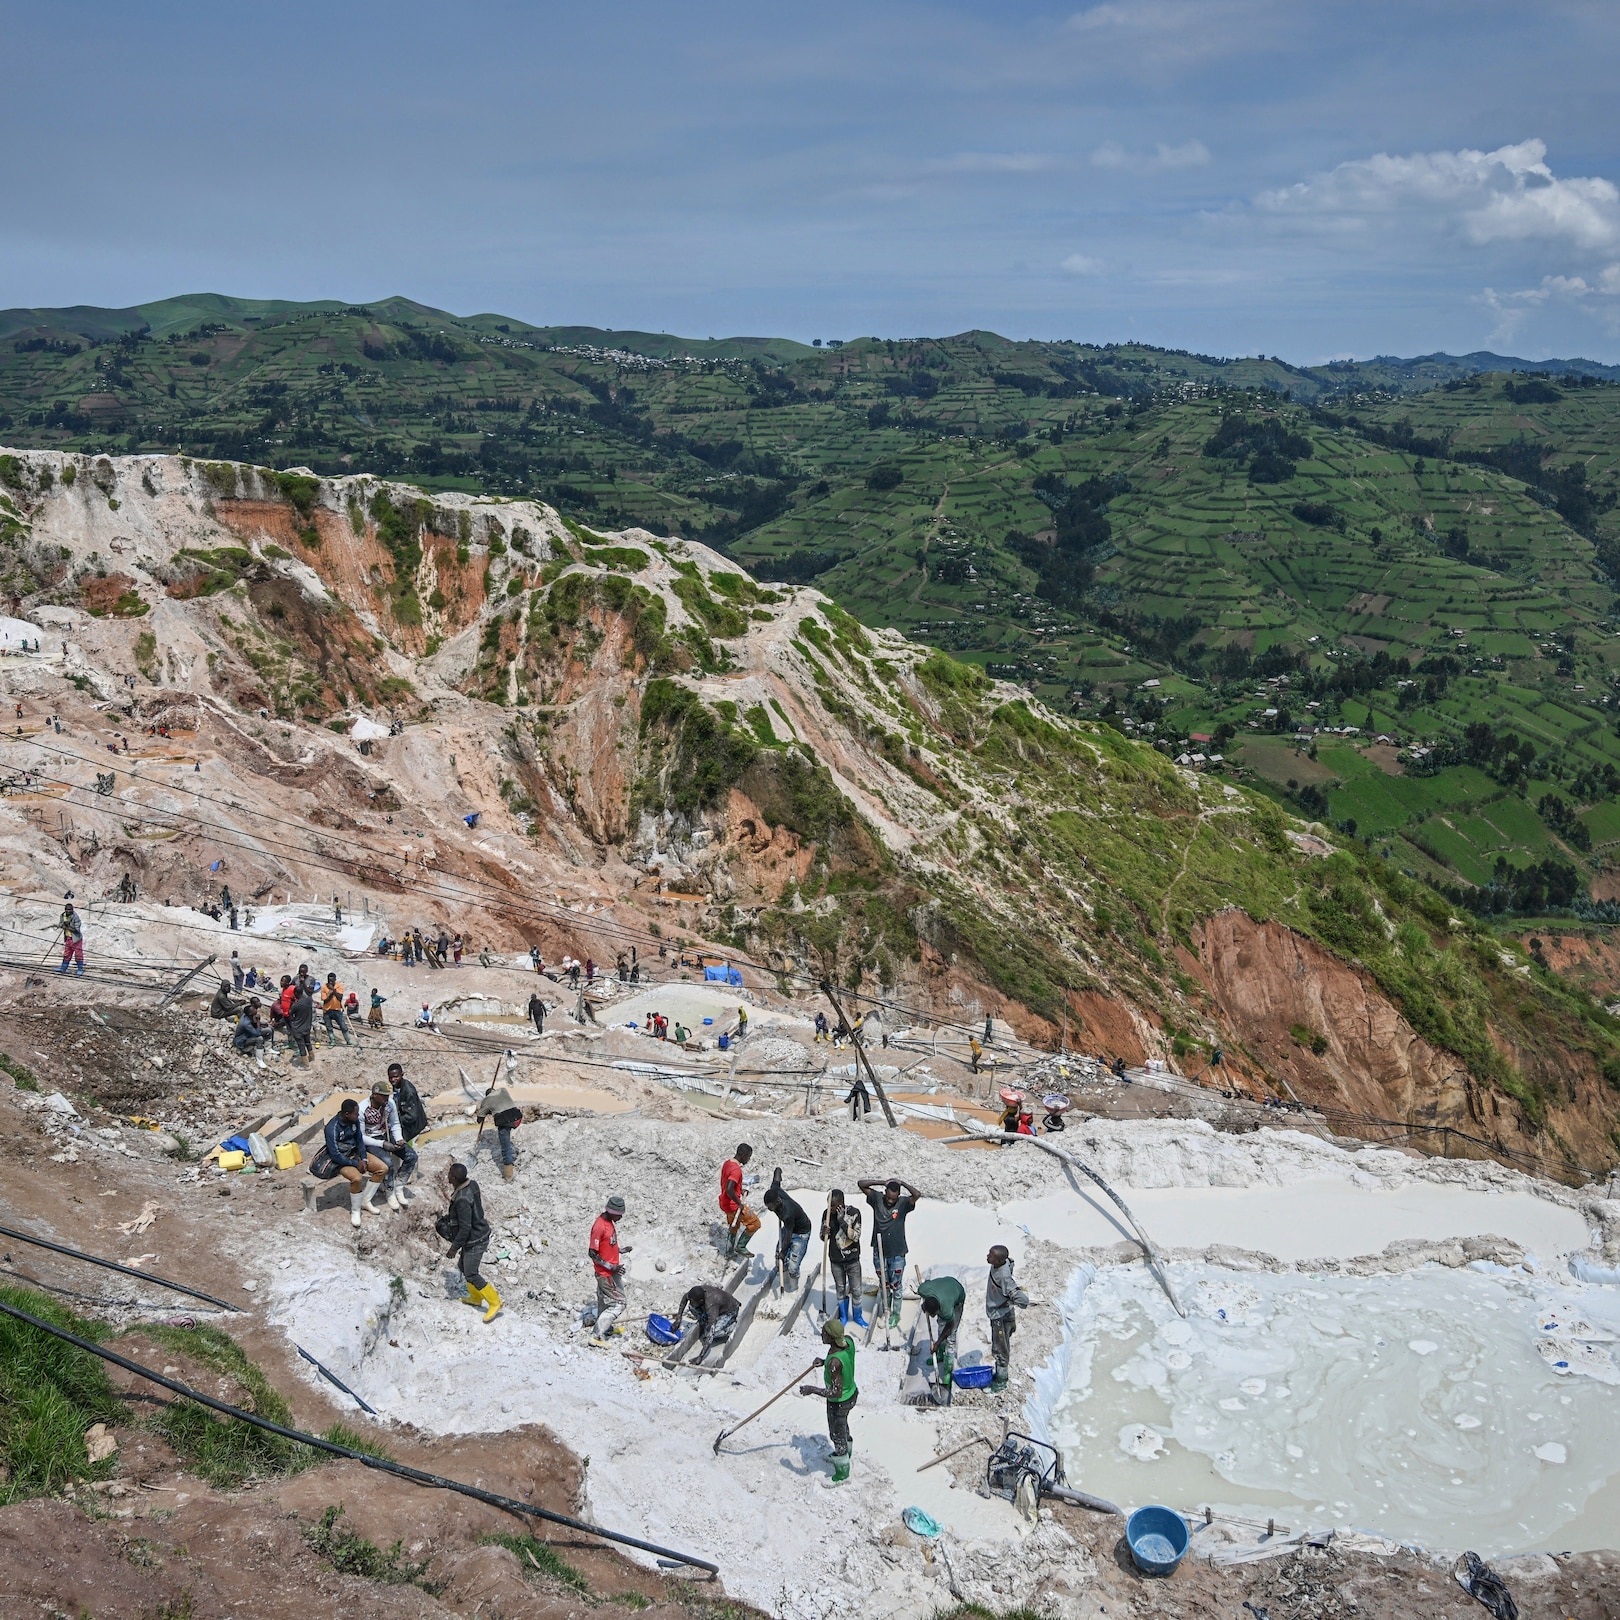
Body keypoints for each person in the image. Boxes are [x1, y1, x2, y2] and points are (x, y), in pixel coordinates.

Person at [857, 1175, 922, 1328]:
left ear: (898, 1196)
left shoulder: (904, 1203)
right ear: (885, 1192)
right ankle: (885, 1309)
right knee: (883, 1283)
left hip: (897, 1252)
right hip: (879, 1250)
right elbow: (861, 1184)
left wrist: (903, 1182)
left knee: (896, 1285)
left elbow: (917, 1194)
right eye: (888, 1198)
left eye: (893, 1199)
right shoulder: (877, 1198)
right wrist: (882, 1182)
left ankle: (896, 1314)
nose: (890, 1201)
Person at [799, 1316, 857, 1483]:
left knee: (836, 1434)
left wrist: (812, 1389)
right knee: (843, 1426)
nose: (821, 1335)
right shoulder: (848, 1341)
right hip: (852, 1393)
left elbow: (835, 1392)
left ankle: (842, 1473)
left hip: (840, 1402)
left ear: (831, 1337)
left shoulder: (835, 1363)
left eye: (824, 1333)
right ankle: (847, 1452)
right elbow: (841, 1363)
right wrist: (824, 1362)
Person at [444, 1163, 500, 1322]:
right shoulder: (472, 1184)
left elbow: (465, 1228)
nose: (447, 1175)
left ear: (453, 1178)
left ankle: (495, 1302)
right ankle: (475, 1298)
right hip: (479, 1232)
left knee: (471, 1273)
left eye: (449, 1173)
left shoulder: (461, 1200)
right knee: (463, 1267)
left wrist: (454, 1248)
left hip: (475, 1239)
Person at [322, 1098, 388, 1228]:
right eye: (356, 1114)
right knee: (356, 1178)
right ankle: (356, 1210)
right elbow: (335, 1154)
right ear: (347, 1114)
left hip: (355, 1154)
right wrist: (355, 1164)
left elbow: (359, 1140)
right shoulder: (332, 1128)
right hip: (341, 1159)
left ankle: (366, 1200)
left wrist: (363, 1158)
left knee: (382, 1168)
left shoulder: (354, 1121)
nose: (358, 1116)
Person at [363, 1081, 415, 1209]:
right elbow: (361, 1137)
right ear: (375, 1095)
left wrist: (398, 1139)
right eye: (384, 1096)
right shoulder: (362, 1109)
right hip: (370, 1139)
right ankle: (390, 1192)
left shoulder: (389, 1104)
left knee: (411, 1156)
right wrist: (382, 1144)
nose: (387, 1098)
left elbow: (395, 1124)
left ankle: (399, 1187)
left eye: (388, 1095)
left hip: (385, 1134)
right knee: (388, 1163)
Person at [985, 1244, 1029, 1394]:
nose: (987, 1256)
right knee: (1002, 1345)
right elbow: (1011, 1262)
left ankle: (1001, 1381)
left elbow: (1022, 1299)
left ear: (998, 1261)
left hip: (1001, 1316)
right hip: (1003, 1312)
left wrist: (1015, 1300)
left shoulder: (1004, 1277)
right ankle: (1000, 1374)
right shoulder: (1002, 1265)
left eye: (991, 1255)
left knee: (1000, 1348)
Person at [588, 1195, 631, 1344]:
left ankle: (606, 1327)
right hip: (606, 1274)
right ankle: (596, 1336)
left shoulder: (609, 1222)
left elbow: (607, 1246)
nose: (620, 1218)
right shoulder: (600, 1226)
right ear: (612, 1211)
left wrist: (621, 1250)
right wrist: (612, 1267)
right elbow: (592, 1253)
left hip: (610, 1271)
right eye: (619, 1215)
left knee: (604, 1302)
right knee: (619, 1303)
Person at [821, 1189, 867, 1327]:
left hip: (852, 1259)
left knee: (857, 1290)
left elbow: (856, 1236)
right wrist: (824, 1233)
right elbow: (823, 1238)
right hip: (836, 1261)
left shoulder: (854, 1213)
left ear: (841, 1203)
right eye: (829, 1205)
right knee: (840, 1289)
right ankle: (843, 1317)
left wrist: (842, 1221)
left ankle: (858, 1317)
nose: (831, 1209)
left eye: (834, 1206)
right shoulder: (826, 1214)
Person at [763, 1169, 812, 1289]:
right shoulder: (774, 1191)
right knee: (779, 1261)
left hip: (800, 1233)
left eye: (771, 1207)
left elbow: (789, 1235)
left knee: (792, 1267)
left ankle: (793, 1288)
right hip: (788, 1228)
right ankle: (784, 1283)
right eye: (768, 1207)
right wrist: (778, 1171)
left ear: (778, 1201)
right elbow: (776, 1179)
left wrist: (783, 1251)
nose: (770, 1210)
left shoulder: (787, 1213)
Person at [918, 1274, 966, 1390]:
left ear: (939, 1309)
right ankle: (940, 1354)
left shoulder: (947, 1309)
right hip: (944, 1286)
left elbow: (949, 1327)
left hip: (957, 1294)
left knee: (950, 1337)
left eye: (934, 1314)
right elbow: (926, 1284)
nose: (932, 1317)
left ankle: (948, 1372)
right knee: (940, 1326)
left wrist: (937, 1343)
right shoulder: (923, 1290)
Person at [673, 1282, 740, 1356]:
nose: (691, 1302)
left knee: (714, 1332)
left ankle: (730, 1327)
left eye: (693, 1301)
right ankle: (705, 1322)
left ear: (701, 1301)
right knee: (692, 1307)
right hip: (715, 1308)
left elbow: (710, 1334)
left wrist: (700, 1356)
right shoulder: (697, 1292)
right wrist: (678, 1318)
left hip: (729, 1311)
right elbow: (685, 1298)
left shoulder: (711, 1305)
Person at [719, 1143, 760, 1256]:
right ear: (742, 1155)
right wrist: (739, 1204)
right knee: (755, 1223)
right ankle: (741, 1246)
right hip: (733, 1205)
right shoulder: (736, 1170)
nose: (748, 1159)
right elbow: (729, 1188)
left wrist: (739, 1190)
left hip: (725, 1203)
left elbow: (728, 1183)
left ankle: (729, 1251)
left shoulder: (727, 1163)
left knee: (734, 1225)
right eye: (748, 1156)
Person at [388, 1061, 429, 1148]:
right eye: (390, 1077)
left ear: (402, 1075)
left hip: (414, 1125)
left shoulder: (409, 1091)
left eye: (395, 1077)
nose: (392, 1080)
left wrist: (394, 1120)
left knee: (397, 1142)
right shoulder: (396, 1085)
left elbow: (411, 1116)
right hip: (404, 1119)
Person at [320, 973, 355, 1047]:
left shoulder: (339, 986)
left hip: (337, 1009)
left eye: (332, 981)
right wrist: (331, 994)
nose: (330, 982)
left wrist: (333, 990)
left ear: (335, 980)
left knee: (343, 1026)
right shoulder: (324, 987)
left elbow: (340, 997)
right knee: (329, 1027)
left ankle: (348, 1040)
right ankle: (332, 1041)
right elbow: (325, 1000)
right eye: (329, 980)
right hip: (327, 1010)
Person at [232, 999, 271, 1066]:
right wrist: (258, 1021)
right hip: (241, 1041)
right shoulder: (246, 1023)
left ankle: (268, 1048)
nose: (256, 1010)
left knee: (269, 1030)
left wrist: (260, 1024)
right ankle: (259, 1060)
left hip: (248, 1035)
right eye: (254, 1010)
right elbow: (257, 1033)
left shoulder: (248, 1016)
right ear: (250, 1013)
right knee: (260, 1038)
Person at [285, 982, 315, 1066]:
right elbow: (308, 995)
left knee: (301, 1046)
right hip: (307, 1026)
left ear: (296, 993)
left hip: (298, 1028)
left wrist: (291, 1002)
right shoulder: (309, 1000)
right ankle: (312, 1057)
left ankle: (306, 1065)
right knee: (308, 1042)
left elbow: (290, 1013)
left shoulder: (296, 1005)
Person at [57, 898, 84, 977]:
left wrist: (68, 926)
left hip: (76, 939)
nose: (68, 911)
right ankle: (63, 968)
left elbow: (77, 930)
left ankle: (80, 969)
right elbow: (60, 924)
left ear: (72, 910)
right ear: (65, 910)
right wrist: (63, 925)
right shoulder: (63, 915)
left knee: (78, 954)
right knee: (67, 954)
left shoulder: (76, 917)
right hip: (68, 938)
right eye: (67, 909)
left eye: (70, 910)